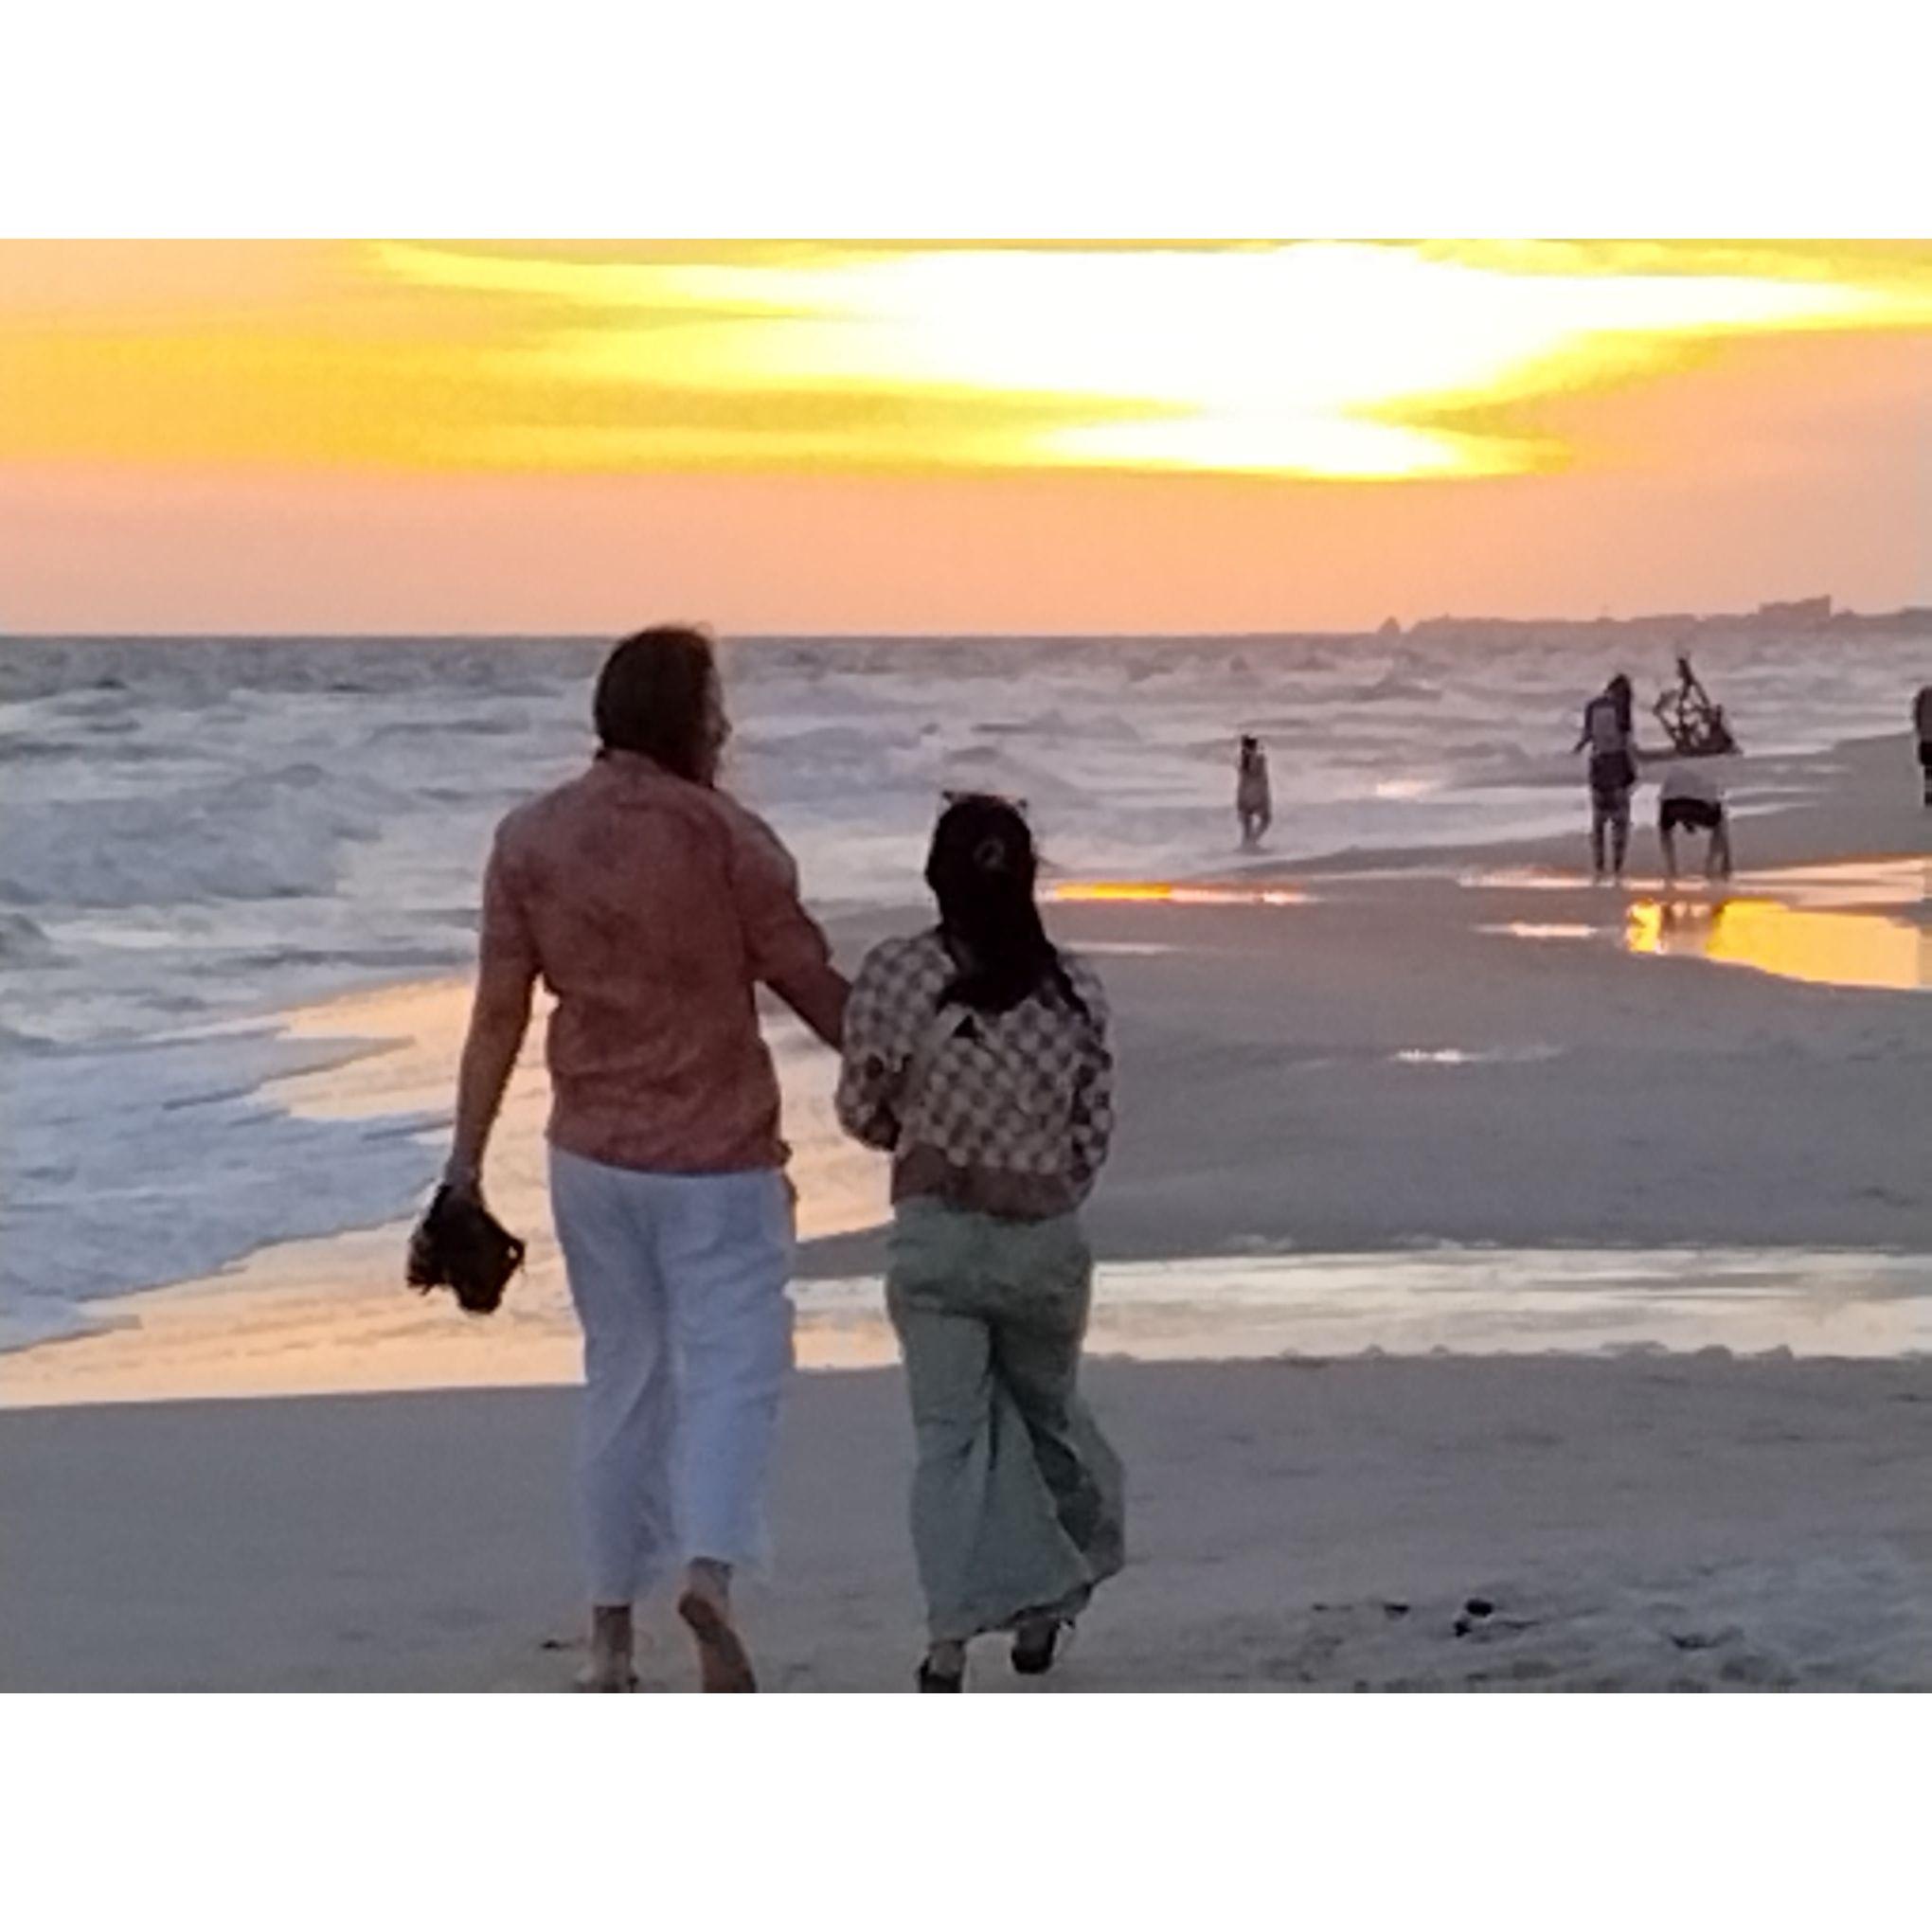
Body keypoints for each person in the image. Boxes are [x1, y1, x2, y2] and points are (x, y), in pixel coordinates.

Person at [441, 624, 848, 1692]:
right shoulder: (728, 840)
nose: (728, 724)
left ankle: (609, 1637)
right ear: (688, 717)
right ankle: (707, 1573)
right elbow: (809, 982)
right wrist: (908, 1076)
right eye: (717, 705)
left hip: (590, 1158)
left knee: (620, 1380)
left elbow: (496, 1018)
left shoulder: (528, 840)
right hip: (718, 1158)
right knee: (734, 1370)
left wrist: (462, 1171)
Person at [835, 795, 1124, 1691]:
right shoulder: (1075, 992)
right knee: (1051, 1420)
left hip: (938, 1238)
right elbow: (1091, 1136)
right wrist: (1034, 1184)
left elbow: (861, 1112)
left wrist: (929, 1141)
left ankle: (948, 1639)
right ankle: (1049, 1606)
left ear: (935, 878)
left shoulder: (892, 977)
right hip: (1042, 1241)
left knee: (951, 1441)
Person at [1574, 673, 1637, 882]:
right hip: (1617, 764)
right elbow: (1626, 741)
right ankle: (1617, 867)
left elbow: (1586, 737)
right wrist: (1633, 771)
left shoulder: (1593, 706)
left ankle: (1599, 866)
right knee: (1621, 820)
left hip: (1598, 765)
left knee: (1599, 819)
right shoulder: (1622, 707)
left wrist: (1575, 750)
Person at [1656, 750, 1734, 883]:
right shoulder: (1710, 768)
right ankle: (1717, 866)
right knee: (1720, 824)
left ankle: (1671, 868)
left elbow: (1665, 798)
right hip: (1699, 805)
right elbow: (1714, 802)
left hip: (1673, 807)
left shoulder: (1676, 768)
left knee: (1665, 829)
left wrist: (1684, 821)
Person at [1236, 734, 1272, 849]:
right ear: (1255, 746)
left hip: (1243, 795)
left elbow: (1243, 779)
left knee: (1246, 826)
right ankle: (1252, 841)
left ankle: (1247, 845)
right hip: (1257, 794)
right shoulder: (1260, 759)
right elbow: (1263, 779)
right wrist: (1266, 796)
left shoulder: (1240, 761)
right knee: (1266, 819)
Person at [1915, 685, 1932, 807]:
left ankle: (1929, 793)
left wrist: (1920, 731)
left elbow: (1917, 715)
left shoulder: (1924, 694)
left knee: (1928, 769)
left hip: (1926, 737)